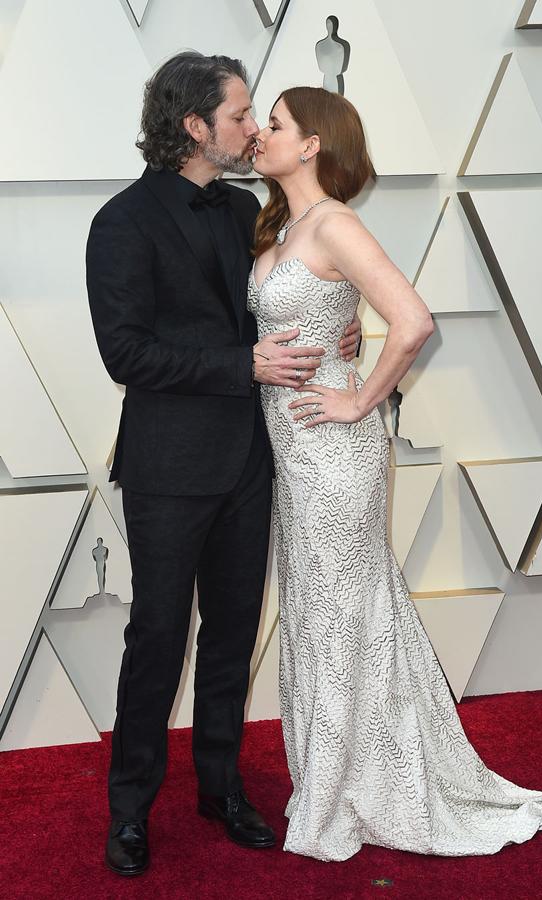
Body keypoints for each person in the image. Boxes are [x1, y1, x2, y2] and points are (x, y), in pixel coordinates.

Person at [249, 86, 542, 862]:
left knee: (339, 614)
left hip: (334, 457)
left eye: (277, 125)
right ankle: (339, 779)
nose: (261, 134)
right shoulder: (282, 228)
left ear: (313, 143)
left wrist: (360, 402)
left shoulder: (334, 225)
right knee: (324, 614)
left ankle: (349, 788)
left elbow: (413, 320)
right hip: (293, 457)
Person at [86, 53, 361, 877]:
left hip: (252, 460)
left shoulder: (249, 208)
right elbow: (125, 353)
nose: (252, 129)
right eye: (241, 115)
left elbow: (300, 290)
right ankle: (129, 811)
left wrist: (346, 332)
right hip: (170, 467)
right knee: (158, 637)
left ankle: (220, 788)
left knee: (233, 638)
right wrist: (238, 367)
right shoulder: (121, 222)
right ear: (195, 126)